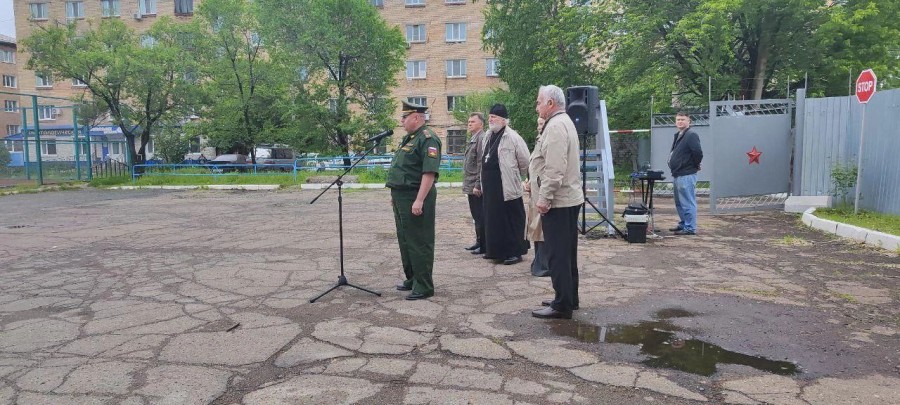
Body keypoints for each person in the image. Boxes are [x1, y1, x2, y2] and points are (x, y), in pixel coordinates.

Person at [530, 85, 584, 320]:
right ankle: (568, 296)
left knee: (558, 254)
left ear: (550, 103)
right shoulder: (564, 122)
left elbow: (554, 169)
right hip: (567, 198)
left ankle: (562, 304)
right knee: (567, 252)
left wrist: (544, 198)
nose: (537, 106)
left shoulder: (555, 126)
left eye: (539, 102)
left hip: (559, 201)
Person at [386, 100, 442, 300]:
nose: (401, 120)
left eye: (404, 117)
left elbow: (429, 172)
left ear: (416, 117)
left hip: (416, 196)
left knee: (419, 241)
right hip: (402, 196)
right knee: (405, 240)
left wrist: (419, 200)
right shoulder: (410, 138)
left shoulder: (428, 138)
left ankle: (424, 285)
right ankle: (413, 278)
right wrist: (395, 194)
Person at [479, 104, 530, 266]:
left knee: (510, 220)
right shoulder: (488, 135)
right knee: (493, 219)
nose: (490, 120)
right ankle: (496, 251)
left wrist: (515, 175)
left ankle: (514, 252)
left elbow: (525, 161)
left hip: (507, 186)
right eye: (489, 117)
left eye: (493, 117)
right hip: (490, 186)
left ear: (503, 119)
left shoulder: (513, 137)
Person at [668, 111, 703, 236]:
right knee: (679, 202)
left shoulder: (691, 135)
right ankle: (683, 223)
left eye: (683, 119)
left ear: (689, 121)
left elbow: (697, 152)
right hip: (677, 173)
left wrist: (695, 164)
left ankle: (690, 228)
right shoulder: (679, 135)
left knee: (687, 201)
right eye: (678, 119)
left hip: (686, 174)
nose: (680, 121)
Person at [525, 117, 549, 277]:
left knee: (542, 229)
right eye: (538, 124)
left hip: (544, 191)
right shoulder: (539, 140)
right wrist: (528, 180)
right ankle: (538, 260)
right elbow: (534, 165)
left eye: (542, 123)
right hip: (534, 190)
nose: (539, 127)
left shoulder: (549, 140)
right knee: (535, 227)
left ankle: (544, 264)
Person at [462, 112, 486, 254]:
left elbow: (480, 164)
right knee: (476, 216)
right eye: (469, 122)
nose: (469, 124)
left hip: (475, 185)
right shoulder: (473, 138)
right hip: (470, 184)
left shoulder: (481, 139)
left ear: (481, 124)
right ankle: (478, 242)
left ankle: (483, 244)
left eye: (473, 122)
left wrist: (478, 184)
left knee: (480, 215)